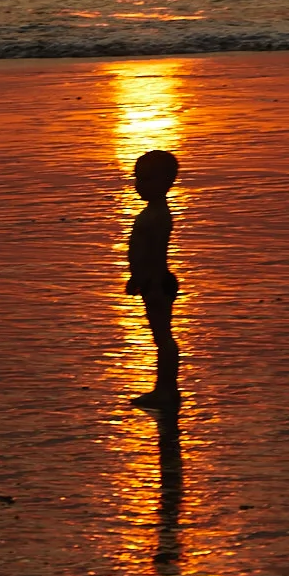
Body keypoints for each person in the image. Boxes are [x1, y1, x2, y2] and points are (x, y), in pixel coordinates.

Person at [125, 149, 180, 412]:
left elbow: (155, 253)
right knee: (161, 336)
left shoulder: (158, 216)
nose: (140, 186)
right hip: (150, 279)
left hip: (157, 281)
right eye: (137, 179)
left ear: (166, 182)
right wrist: (135, 277)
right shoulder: (152, 213)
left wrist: (153, 282)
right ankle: (165, 389)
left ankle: (166, 390)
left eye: (147, 179)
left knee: (163, 338)